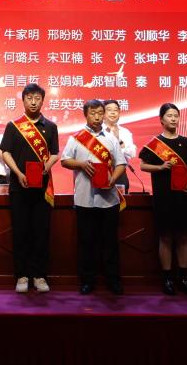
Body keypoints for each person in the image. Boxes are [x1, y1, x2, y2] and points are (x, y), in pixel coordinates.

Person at [61, 99, 126, 295]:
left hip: (109, 200)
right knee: (86, 242)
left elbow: (121, 164)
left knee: (110, 243)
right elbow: (65, 160)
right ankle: (87, 281)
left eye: (100, 113)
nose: (97, 117)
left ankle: (113, 281)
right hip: (84, 199)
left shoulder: (111, 139)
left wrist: (113, 179)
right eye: (93, 113)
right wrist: (81, 164)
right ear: (85, 115)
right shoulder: (76, 138)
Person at [0, 83, 60, 294]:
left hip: (42, 188)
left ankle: (40, 275)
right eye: (29, 98)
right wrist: (18, 173)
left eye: (37, 98)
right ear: (23, 100)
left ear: (43, 100)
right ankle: (22, 275)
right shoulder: (13, 126)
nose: (33, 102)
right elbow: (5, 152)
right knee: (21, 232)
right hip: (19, 187)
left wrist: (46, 167)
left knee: (41, 232)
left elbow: (55, 153)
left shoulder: (50, 126)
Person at [139, 103, 187, 295]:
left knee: (183, 236)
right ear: (161, 120)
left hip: (184, 195)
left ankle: (183, 277)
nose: (173, 119)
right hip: (163, 196)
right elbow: (143, 166)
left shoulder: (185, 142)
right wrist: (160, 167)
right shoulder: (155, 144)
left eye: (176, 115)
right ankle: (167, 278)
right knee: (165, 236)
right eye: (169, 115)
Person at [103, 99, 136, 192]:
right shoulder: (97, 131)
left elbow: (132, 153)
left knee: (121, 201)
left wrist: (118, 140)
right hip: (101, 172)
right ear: (103, 113)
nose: (113, 113)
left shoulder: (125, 132)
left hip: (120, 173)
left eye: (115, 110)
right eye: (109, 110)